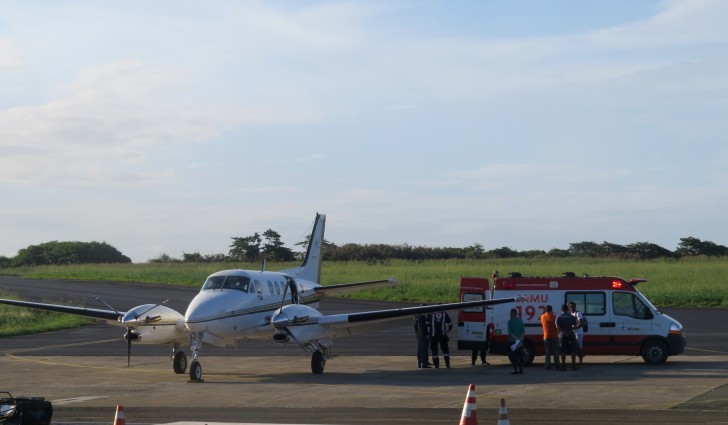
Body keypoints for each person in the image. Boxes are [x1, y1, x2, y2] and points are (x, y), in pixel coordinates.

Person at [556, 304, 578, 371]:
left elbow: (557, 327)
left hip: (562, 336)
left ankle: (563, 366)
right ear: (567, 309)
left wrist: (564, 332)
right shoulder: (571, 317)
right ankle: (573, 366)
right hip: (571, 335)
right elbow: (575, 325)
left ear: (562, 309)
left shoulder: (559, 317)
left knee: (563, 351)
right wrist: (570, 331)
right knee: (573, 351)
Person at [540, 305, 560, 370]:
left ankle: (548, 365)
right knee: (556, 352)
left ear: (546, 310)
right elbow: (557, 326)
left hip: (546, 336)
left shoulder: (542, 317)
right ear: (551, 309)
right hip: (554, 336)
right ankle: (557, 365)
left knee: (547, 352)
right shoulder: (554, 317)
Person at [507, 308, 525, 374]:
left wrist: (516, 337)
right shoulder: (520, 320)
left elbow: (510, 332)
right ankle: (521, 369)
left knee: (514, 356)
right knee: (520, 355)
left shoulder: (510, 321)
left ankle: (516, 370)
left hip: (513, 341)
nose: (510, 314)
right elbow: (523, 331)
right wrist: (519, 338)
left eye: (511, 313)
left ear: (513, 313)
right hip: (519, 341)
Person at [568, 301, 585, 368]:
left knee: (579, 348)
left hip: (579, 333)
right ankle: (574, 363)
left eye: (572, 306)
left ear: (575, 307)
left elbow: (581, 324)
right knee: (573, 348)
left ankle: (580, 363)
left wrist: (574, 328)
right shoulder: (570, 314)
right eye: (570, 307)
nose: (571, 308)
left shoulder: (578, 313)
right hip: (573, 333)